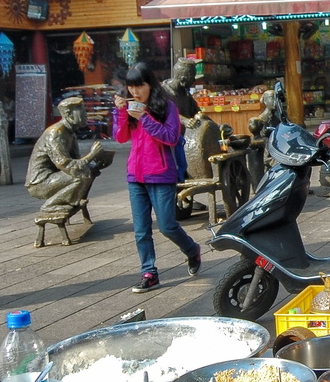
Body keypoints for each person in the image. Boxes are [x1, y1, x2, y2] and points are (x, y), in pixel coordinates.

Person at [113, 63, 201, 293]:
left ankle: (192, 250)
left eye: (139, 86)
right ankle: (149, 272)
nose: (134, 92)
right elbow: (120, 137)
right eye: (130, 87)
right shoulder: (131, 106)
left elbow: (171, 137)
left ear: (149, 84)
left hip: (161, 174)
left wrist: (145, 117)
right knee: (141, 230)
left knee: (167, 226)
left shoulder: (167, 107)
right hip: (136, 175)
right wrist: (121, 112)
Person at [25, 97, 105, 215]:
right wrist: (91, 155)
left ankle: (74, 199)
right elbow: (65, 164)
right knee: (80, 176)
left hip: (55, 175)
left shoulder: (70, 132)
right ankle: (50, 205)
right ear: (69, 114)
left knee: (90, 171)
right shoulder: (56, 132)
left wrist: (96, 163)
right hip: (40, 181)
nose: (85, 115)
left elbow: (76, 160)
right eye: (81, 112)